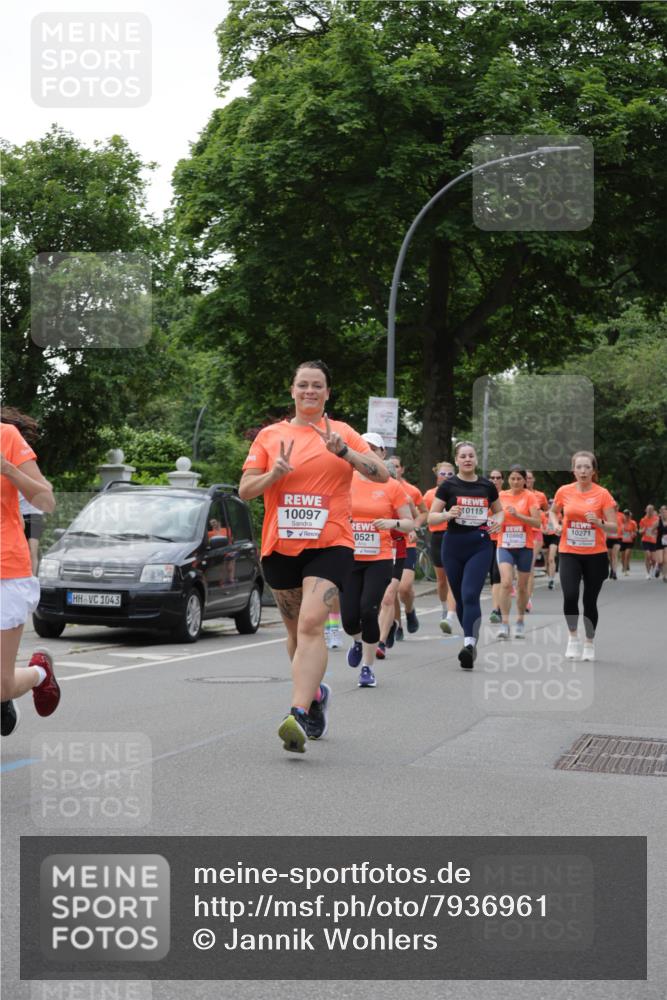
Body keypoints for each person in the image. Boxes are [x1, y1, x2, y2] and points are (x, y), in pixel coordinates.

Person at [238, 360, 388, 753]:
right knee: (294, 636)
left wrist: (347, 455)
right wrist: (275, 475)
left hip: (331, 543)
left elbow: (381, 474)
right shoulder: (271, 436)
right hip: (281, 547)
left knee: (310, 625)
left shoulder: (342, 433)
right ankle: (317, 695)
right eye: (303, 384)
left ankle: (298, 712)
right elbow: (245, 490)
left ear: (327, 392)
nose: (309, 391)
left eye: (317, 385)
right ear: (292, 390)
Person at [1, 407, 60, 736]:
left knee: (2, 685)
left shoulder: (6, 437)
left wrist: (8, 469)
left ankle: (39, 673)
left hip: (5, 569)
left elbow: (46, 501)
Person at [342, 433, 414, 688]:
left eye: (374, 449)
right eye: (364, 447)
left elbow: (409, 522)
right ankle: (359, 641)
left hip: (379, 558)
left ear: (382, 455)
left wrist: (392, 522)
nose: (368, 452)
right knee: (349, 619)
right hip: (349, 557)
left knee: (368, 609)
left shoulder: (391, 485)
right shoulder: (345, 478)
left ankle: (367, 668)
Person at [428, 441, 503, 670]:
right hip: (453, 545)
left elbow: (499, 512)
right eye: (463, 456)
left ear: (476, 459)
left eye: (471, 455)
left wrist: (497, 523)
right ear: (457, 460)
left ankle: (469, 643)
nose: (468, 459)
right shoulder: (448, 486)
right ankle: (469, 636)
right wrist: (447, 514)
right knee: (460, 598)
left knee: (471, 594)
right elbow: (432, 517)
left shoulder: (487, 486)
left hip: (479, 545)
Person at [548, 451, 616, 662]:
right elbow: (552, 512)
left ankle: (589, 642)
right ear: (573, 470)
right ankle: (572, 638)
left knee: (589, 601)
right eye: (579, 467)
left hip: (595, 554)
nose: (583, 471)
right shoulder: (564, 491)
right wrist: (556, 525)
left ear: (594, 471)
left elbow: (614, 527)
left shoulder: (602, 494)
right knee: (569, 595)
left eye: (587, 467)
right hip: (569, 551)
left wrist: (599, 522)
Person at [376, 460, 418, 658]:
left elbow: (417, 517)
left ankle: (381, 642)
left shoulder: (403, 494)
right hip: (373, 550)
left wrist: (411, 529)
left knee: (390, 595)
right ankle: (391, 623)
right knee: (377, 598)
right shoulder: (369, 493)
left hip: (397, 548)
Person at [495, 466, 542, 639]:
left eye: (519, 479)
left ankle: (520, 620)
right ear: (508, 480)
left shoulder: (530, 497)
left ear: (525, 480)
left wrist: (518, 516)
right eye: (513, 479)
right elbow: (494, 516)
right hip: (505, 545)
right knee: (506, 582)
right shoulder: (501, 496)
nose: (516, 482)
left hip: (524, 546)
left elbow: (537, 523)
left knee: (522, 587)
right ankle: (504, 624)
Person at [385, 454, 428, 636]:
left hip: (406, 544)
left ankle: (409, 611)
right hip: (386, 544)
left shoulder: (410, 492)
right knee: (391, 589)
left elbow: (423, 513)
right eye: (390, 466)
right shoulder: (379, 489)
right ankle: (397, 625)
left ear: (401, 469)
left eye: (396, 466)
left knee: (404, 587)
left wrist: (414, 527)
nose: (393, 470)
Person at [423, 462, 458, 634]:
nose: (446, 477)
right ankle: (445, 607)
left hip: (455, 535)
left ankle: (450, 616)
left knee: (453, 578)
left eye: (450, 474)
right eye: (443, 474)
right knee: (441, 579)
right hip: (438, 537)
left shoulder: (459, 491)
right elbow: (422, 513)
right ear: (437, 475)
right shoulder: (430, 494)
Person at [525, 471, 549, 611]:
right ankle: (521, 591)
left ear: (533, 479)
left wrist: (544, 522)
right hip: (519, 533)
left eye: (529, 478)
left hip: (535, 534)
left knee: (529, 566)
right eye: (525, 478)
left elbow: (547, 511)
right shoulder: (515, 495)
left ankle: (528, 599)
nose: (527, 480)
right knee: (519, 568)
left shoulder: (540, 496)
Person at [487, 470, 504, 622]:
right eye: (492, 478)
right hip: (484, 540)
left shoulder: (505, 496)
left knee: (496, 574)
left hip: (502, 541)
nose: (495, 480)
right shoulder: (483, 495)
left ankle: (496, 609)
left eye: (498, 478)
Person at [20, 492, 44, 575]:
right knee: (19, 549)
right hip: (19, 515)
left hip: (35, 516)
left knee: (32, 549)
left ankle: (32, 578)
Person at [542, 498, 560, 589]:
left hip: (554, 536)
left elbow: (562, 523)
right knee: (546, 559)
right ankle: (549, 577)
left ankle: (551, 580)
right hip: (545, 536)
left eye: (552, 504)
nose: (551, 505)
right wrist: (543, 530)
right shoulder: (543, 514)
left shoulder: (558, 514)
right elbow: (539, 523)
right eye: (550, 504)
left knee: (551, 558)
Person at [639, 504, 659, 579]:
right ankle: (647, 573)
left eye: (651, 510)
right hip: (645, 540)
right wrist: (643, 530)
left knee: (653, 559)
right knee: (648, 556)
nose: (650, 511)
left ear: (653, 511)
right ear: (646, 510)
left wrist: (656, 532)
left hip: (654, 541)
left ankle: (653, 569)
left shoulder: (656, 519)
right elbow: (639, 531)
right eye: (648, 510)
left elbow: (660, 529)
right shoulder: (643, 520)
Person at [605, 503, 624, 580]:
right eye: (614, 506)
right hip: (609, 537)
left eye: (617, 506)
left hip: (618, 537)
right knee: (609, 556)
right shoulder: (608, 515)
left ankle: (614, 572)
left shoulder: (621, 515)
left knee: (614, 555)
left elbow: (624, 524)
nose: (616, 508)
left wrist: (622, 528)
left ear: (618, 507)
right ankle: (611, 569)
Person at [619, 509, 638, 576]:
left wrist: (633, 534)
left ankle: (625, 568)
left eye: (627, 515)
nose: (626, 516)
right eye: (625, 515)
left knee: (627, 554)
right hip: (622, 540)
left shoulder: (633, 523)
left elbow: (636, 532)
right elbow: (618, 531)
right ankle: (624, 565)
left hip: (630, 541)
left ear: (629, 516)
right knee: (622, 555)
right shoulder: (621, 522)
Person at [656, 505, 667, 583]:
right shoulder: (658, 521)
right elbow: (652, 530)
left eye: (665, 512)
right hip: (659, 542)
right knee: (660, 560)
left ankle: (664, 575)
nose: (664, 514)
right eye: (662, 512)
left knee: (665, 560)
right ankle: (657, 567)